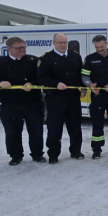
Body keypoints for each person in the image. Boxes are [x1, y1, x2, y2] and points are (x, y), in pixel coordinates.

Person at [0, 37, 45, 165]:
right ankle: (15, 155)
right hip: (10, 103)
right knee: (12, 132)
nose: (22, 50)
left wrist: (32, 83)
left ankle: (37, 154)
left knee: (36, 130)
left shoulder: (33, 61)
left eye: (23, 47)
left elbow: (42, 77)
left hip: (32, 102)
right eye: (18, 48)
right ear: (9, 49)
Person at [37, 33, 86, 164]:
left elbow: (80, 75)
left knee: (75, 126)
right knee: (54, 127)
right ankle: (53, 154)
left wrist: (83, 87)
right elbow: (41, 77)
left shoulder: (75, 56)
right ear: (53, 43)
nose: (63, 45)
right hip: (55, 98)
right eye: (60, 43)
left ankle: (76, 151)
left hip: (73, 97)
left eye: (65, 42)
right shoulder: (47, 59)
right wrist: (55, 84)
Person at [81, 35, 108, 160]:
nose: (99, 49)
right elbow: (84, 77)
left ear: (107, 43)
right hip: (97, 96)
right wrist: (90, 85)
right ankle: (96, 149)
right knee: (97, 123)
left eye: (102, 46)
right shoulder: (89, 59)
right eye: (97, 47)